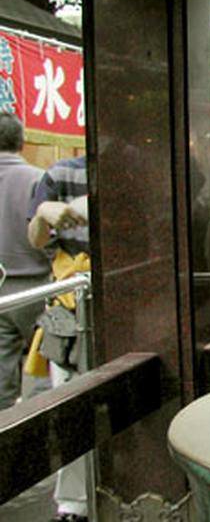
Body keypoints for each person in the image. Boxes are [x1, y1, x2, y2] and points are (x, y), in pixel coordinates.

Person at [27, 153, 90, 522]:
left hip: (131, 298)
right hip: (70, 304)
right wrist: (43, 214)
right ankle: (72, 504)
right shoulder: (61, 173)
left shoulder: (141, 164)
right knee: (69, 401)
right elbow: (36, 238)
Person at [0, 112, 51, 411]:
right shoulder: (37, 179)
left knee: (3, 377)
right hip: (37, 288)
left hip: (2, 290)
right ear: (21, 142)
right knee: (41, 368)